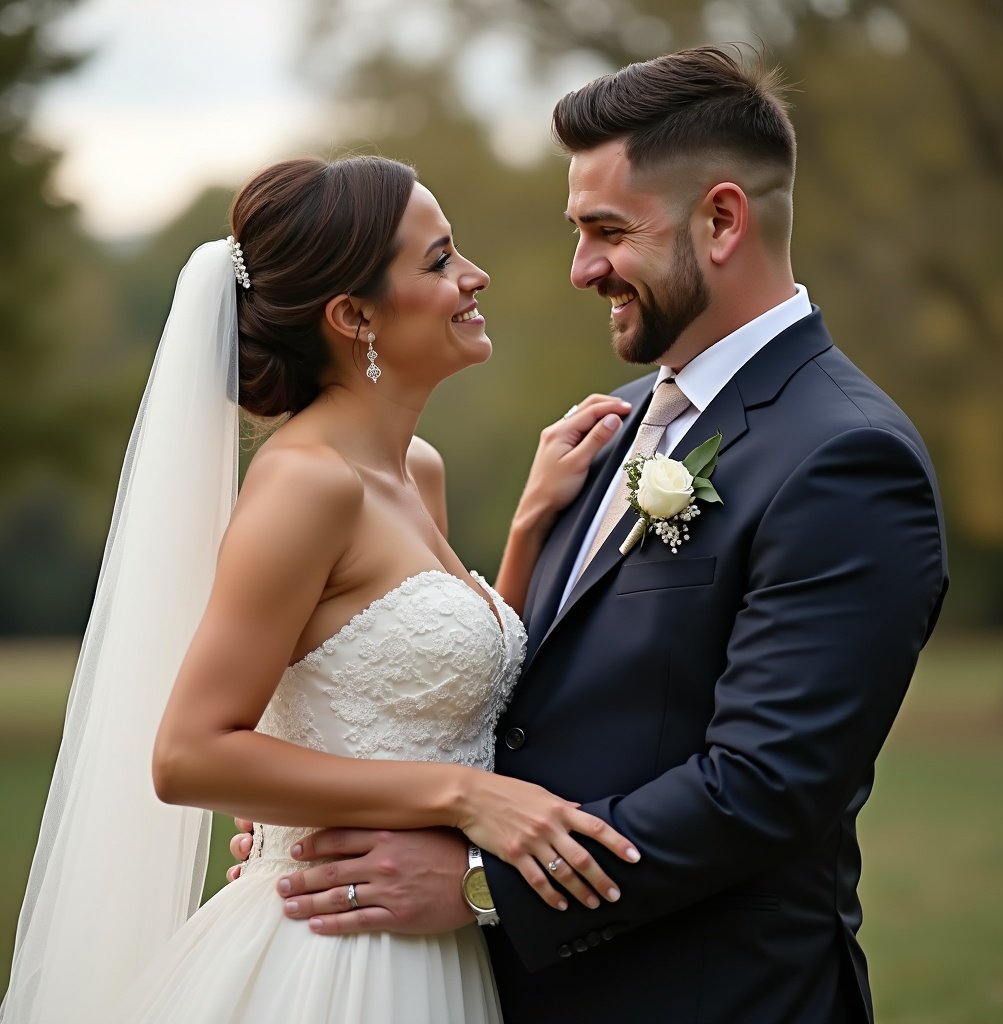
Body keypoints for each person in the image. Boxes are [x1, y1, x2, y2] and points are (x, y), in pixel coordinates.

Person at [246, 47, 949, 1023]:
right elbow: (512, 691)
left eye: (606, 231)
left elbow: (762, 785)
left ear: (720, 220)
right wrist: (350, 812)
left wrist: (481, 882)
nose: (582, 269)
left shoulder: (845, 457)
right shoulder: (610, 428)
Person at [0, 155, 642, 1024]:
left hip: (440, 941)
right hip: (334, 962)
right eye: (439, 259)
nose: (473, 275)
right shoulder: (307, 484)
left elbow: (450, 696)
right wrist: (463, 797)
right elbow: (191, 754)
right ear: (352, 317)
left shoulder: (417, 471)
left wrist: (527, 528)